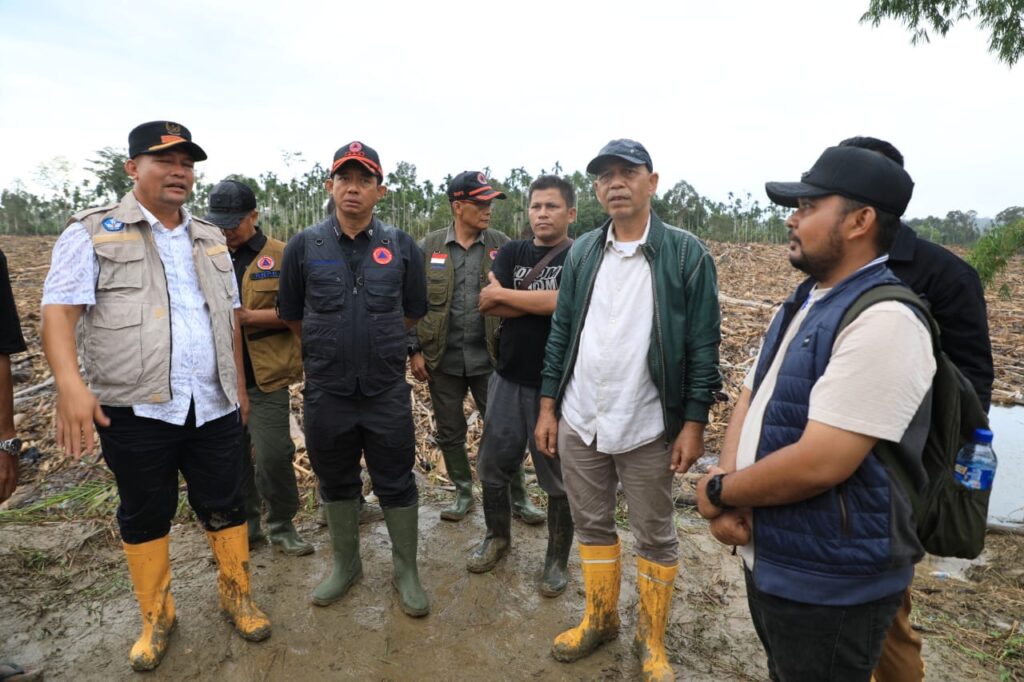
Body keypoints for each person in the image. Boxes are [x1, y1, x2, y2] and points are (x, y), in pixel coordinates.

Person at [696, 144, 937, 681]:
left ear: (860, 220)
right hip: (781, 559)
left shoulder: (885, 321)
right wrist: (726, 476)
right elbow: (751, 395)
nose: (792, 218)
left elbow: (822, 462)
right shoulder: (808, 298)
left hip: (832, 581)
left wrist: (717, 493)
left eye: (808, 206)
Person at [40, 121, 270, 672]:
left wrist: (237, 384)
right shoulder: (92, 231)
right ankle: (157, 615)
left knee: (225, 501)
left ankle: (236, 594)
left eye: (187, 163)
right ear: (132, 168)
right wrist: (71, 385)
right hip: (135, 407)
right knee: (145, 511)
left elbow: (229, 321)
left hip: (212, 402)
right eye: (164, 160)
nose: (179, 172)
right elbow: (59, 312)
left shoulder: (210, 237)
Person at [536, 139, 723, 681]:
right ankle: (600, 618)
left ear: (652, 182)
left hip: (645, 422)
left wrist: (693, 423)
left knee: (655, 533)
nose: (615, 183)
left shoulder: (686, 255)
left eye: (627, 173)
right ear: (596, 189)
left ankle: (652, 640)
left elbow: (704, 348)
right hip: (581, 416)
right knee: (591, 523)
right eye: (604, 176)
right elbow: (562, 332)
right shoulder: (583, 252)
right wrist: (549, 408)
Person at [836, 136, 994, 682]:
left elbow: (972, 389)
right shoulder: (828, 263)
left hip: (894, 473)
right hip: (823, 457)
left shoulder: (945, 276)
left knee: (886, 611)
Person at [277, 141, 430, 617]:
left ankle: (406, 570)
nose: (353, 189)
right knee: (336, 478)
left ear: (379, 191)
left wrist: (374, 343)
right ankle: (347, 565)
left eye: (365, 180)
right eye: (345, 178)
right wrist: (335, 344)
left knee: (396, 480)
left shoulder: (401, 246)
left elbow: (411, 313)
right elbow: (294, 316)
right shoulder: (305, 246)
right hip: (328, 391)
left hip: (384, 390)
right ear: (330, 185)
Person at [411, 171, 546, 525]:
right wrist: (415, 350)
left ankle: (519, 496)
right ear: (458, 207)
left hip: (492, 361)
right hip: (442, 359)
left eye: (490, 202)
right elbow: (409, 301)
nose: (488, 209)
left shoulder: (503, 244)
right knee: (450, 430)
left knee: (505, 431)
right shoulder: (429, 247)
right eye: (480, 202)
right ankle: (461, 492)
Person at [467, 175, 577, 596]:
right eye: (536, 207)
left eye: (551, 207)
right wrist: (544, 305)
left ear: (569, 213)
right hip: (508, 379)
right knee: (494, 463)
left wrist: (515, 301)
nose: (542, 214)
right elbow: (487, 300)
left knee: (557, 474)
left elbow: (568, 305)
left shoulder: (579, 255)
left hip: (559, 387)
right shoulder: (512, 250)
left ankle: (555, 559)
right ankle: (497, 537)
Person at [204, 179, 312, 556]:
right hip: (218, 380)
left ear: (254, 215)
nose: (227, 231)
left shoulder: (283, 255)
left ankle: (282, 524)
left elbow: (301, 311)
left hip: (266, 377)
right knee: (233, 459)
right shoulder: (206, 254)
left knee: (273, 456)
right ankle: (248, 528)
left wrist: (249, 316)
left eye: (234, 222)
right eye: (220, 223)